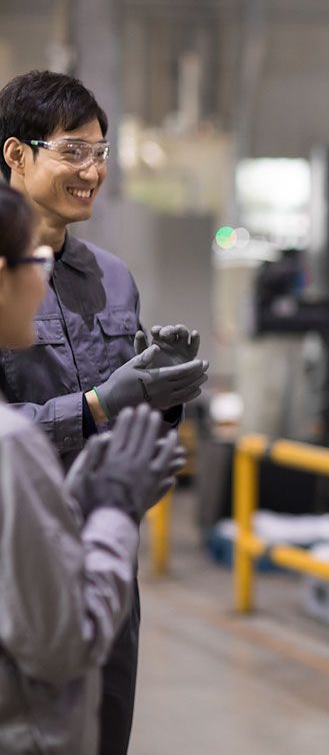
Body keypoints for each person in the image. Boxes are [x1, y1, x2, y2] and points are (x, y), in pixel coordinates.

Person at [0, 70, 208, 755]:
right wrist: (95, 403)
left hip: (106, 559)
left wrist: (160, 394)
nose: (92, 170)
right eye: (72, 151)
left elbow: (126, 422)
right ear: (16, 155)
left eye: (100, 151)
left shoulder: (114, 278)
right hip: (17, 576)